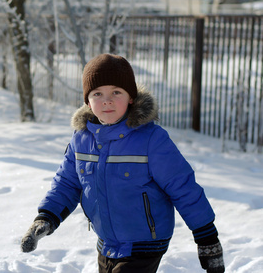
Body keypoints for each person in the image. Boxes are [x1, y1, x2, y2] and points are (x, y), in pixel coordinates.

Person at [20, 54, 225, 273]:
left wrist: (207, 237)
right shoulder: (81, 140)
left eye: (116, 92)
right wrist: (46, 216)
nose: (106, 100)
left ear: (131, 98)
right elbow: (67, 184)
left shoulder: (151, 140)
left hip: (145, 243)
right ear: (87, 101)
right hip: (106, 243)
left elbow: (183, 187)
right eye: (97, 93)